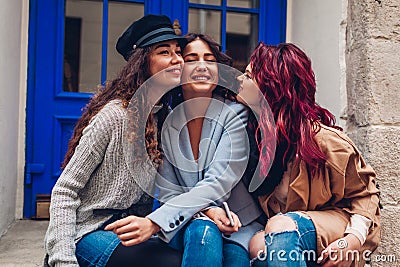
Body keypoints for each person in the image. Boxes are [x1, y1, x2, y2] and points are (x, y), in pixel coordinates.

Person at [105, 33, 263, 267]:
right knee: (202, 232)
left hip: (237, 225)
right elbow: (169, 191)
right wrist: (207, 212)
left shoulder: (235, 115)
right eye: (192, 59)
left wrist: (155, 222)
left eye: (210, 59)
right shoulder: (167, 122)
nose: (202, 66)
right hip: (186, 222)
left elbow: (218, 183)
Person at [44, 14, 187, 267]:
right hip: (88, 232)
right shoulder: (114, 116)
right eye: (165, 52)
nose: (177, 59)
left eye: (178, 51)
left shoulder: (164, 118)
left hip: (131, 232)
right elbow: (65, 191)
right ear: (143, 63)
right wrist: (63, 259)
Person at [235, 43, 380, 267]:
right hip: (287, 233)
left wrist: (352, 241)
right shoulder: (255, 137)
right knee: (258, 245)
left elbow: (366, 196)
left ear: (269, 87)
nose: (238, 79)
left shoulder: (325, 140)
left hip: (340, 227)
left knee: (279, 225)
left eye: (247, 75)